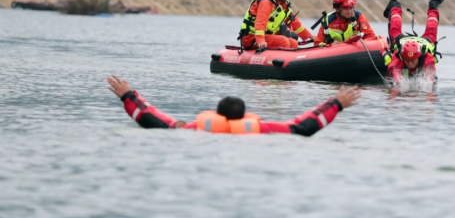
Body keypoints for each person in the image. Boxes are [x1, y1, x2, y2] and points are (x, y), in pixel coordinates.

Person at [107, 76, 361, 136]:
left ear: (216, 114)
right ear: (246, 116)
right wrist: (335, 103)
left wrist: (128, 96)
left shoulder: (195, 128)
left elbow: (152, 119)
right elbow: (303, 127)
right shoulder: (262, 129)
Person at [238, 0, 315, 50]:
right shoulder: (266, 2)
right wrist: (260, 40)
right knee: (283, 41)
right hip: (252, 38)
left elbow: (295, 24)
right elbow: (260, 23)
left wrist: (311, 37)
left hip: (266, 37)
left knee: (294, 43)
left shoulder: (284, 6)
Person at [382, 0, 445, 80]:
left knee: (432, 27)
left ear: (418, 57)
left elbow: (429, 80)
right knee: (395, 27)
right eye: (407, 60)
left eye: (413, 60)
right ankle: (395, 5)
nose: (410, 64)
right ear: (403, 57)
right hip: (402, 41)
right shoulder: (398, 57)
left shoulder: (427, 58)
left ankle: (433, 5)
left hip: (423, 43)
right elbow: (395, 76)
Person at [313, 0, 377, 46]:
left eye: (351, 8)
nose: (349, 11)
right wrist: (330, 45)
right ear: (338, 9)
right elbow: (318, 43)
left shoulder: (359, 17)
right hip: (335, 54)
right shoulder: (327, 21)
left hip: (356, 51)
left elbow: (370, 37)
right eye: (346, 8)